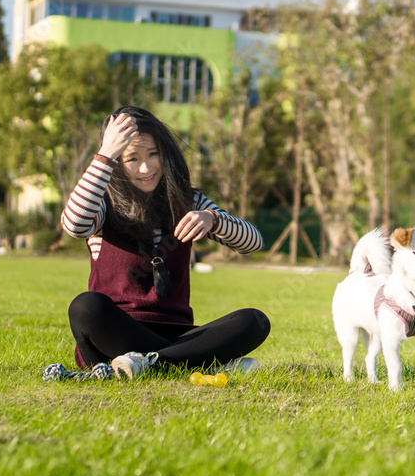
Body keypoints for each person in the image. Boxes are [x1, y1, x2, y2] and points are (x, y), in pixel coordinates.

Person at [43, 106, 270, 380]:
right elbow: (74, 225)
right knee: (85, 307)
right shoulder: (102, 202)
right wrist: (105, 155)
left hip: (177, 332)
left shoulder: (188, 201)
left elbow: (254, 243)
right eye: (131, 158)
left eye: (153, 154)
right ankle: (195, 363)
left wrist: (213, 219)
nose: (146, 167)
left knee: (254, 320)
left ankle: (151, 363)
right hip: (117, 332)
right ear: (117, 161)